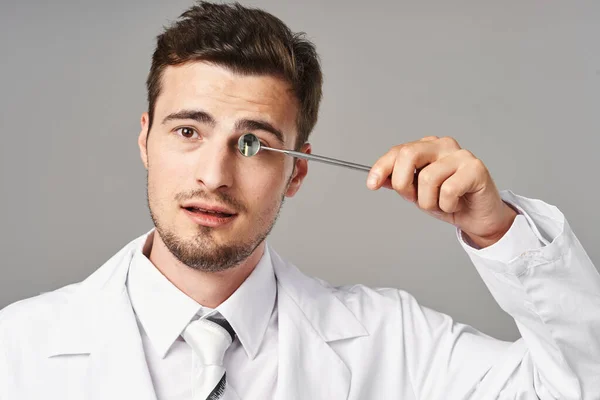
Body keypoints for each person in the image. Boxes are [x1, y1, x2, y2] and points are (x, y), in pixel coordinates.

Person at [1, 1, 599, 399]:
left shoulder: (392, 343)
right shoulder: (18, 350)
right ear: (145, 139)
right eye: (188, 131)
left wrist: (498, 232)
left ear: (297, 172)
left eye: (253, 143)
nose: (214, 175)